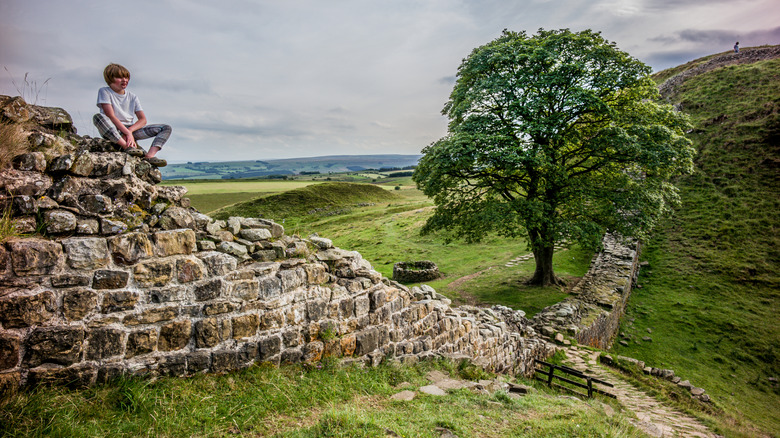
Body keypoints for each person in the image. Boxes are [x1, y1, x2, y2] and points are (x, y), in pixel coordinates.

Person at [93, 63, 171, 167]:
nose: (124, 80)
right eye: (119, 77)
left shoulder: (132, 97)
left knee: (165, 128)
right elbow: (110, 116)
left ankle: (150, 156)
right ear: (110, 78)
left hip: (131, 129)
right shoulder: (104, 91)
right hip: (113, 129)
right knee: (99, 117)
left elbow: (143, 120)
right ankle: (126, 147)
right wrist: (127, 134)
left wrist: (129, 132)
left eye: (126, 77)